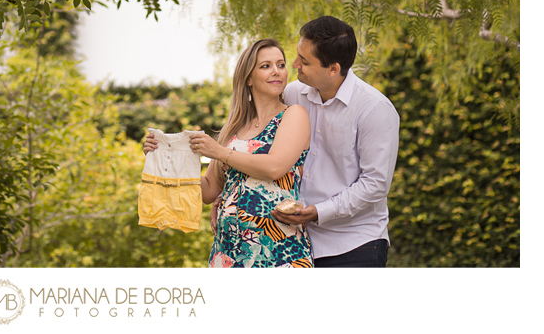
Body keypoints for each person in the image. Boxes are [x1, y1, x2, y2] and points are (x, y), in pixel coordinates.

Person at [144, 38, 313, 268]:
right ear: (248, 79)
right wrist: (162, 157)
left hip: (279, 252)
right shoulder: (232, 130)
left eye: (281, 65)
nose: (276, 71)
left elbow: (275, 167)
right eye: (265, 66)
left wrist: (220, 152)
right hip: (229, 254)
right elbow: (208, 191)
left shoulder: (294, 115)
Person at [269, 16, 400, 268]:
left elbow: (376, 184)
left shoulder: (375, 109)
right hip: (296, 244)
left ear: (333, 69)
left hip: (355, 245)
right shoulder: (293, 94)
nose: (295, 64)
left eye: (304, 61)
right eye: (298, 55)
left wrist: (319, 212)